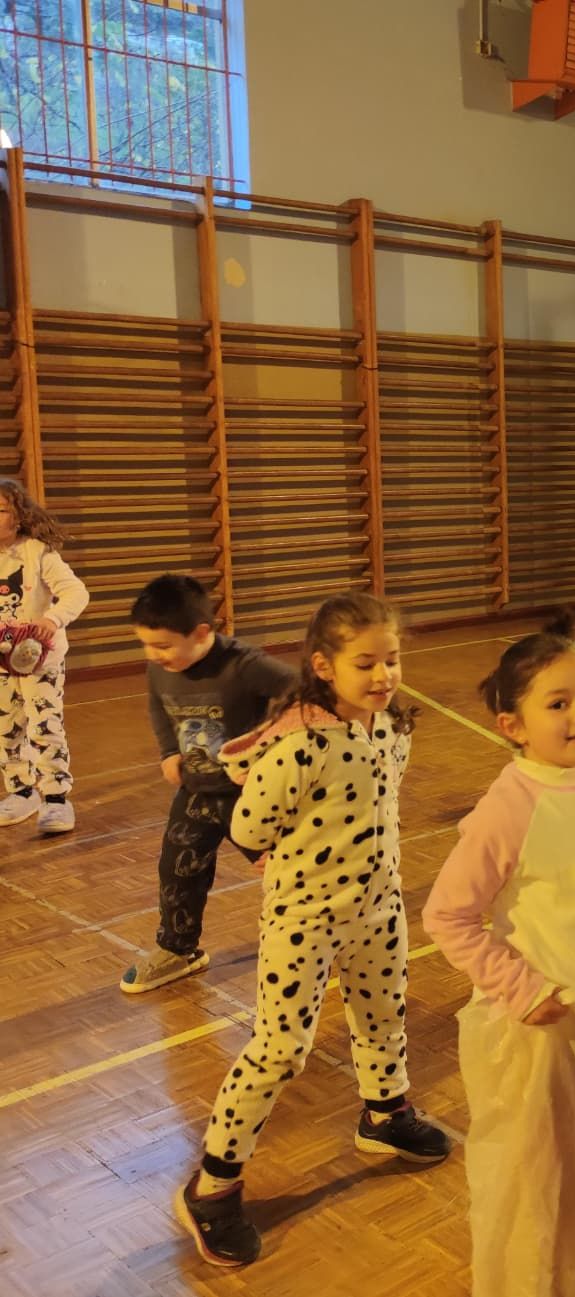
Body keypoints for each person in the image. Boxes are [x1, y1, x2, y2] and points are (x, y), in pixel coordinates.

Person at [175, 592, 450, 1268]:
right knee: (281, 1048)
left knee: (384, 1015)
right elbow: (246, 829)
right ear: (324, 665)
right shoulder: (298, 746)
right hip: (303, 920)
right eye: (368, 662)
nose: (385, 674)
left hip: (378, 909)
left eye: (392, 659)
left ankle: (384, 1114)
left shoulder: (393, 729)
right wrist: (302, 863)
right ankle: (214, 1183)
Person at [423, 616, 575, 1297]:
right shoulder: (510, 805)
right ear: (513, 725)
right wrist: (520, 986)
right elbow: (448, 913)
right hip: (545, 1024)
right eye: (558, 703)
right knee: (546, 1172)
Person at [121, 575, 297, 993]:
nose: (153, 655)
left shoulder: (245, 664)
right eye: (146, 644)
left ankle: (316, 945)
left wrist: (267, 748)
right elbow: (158, 708)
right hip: (197, 793)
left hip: (251, 797)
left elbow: (301, 693)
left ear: (202, 633)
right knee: (178, 870)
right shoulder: (159, 668)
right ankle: (178, 950)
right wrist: (168, 751)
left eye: (162, 645)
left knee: (288, 872)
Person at [0, 477, 89, 834]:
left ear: (18, 516)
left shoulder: (38, 553)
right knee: (5, 729)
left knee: (43, 724)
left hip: (41, 662)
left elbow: (75, 593)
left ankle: (55, 799)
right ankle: (21, 793)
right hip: (3, 663)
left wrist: (52, 619)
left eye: (1, 510)